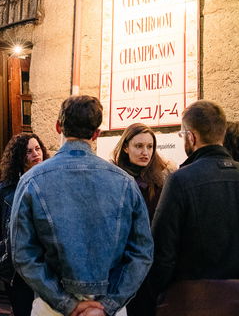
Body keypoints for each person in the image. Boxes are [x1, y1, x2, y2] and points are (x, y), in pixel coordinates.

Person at [10, 95, 154, 316]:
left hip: (51, 307)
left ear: (59, 127)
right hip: (107, 308)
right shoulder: (125, 182)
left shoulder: (32, 180)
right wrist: (109, 305)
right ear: (97, 133)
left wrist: (65, 303)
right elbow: (142, 253)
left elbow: (22, 254)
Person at [150, 101, 239, 316]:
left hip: (189, 305)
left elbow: (161, 254)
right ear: (221, 133)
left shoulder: (179, 181)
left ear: (191, 137)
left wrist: (158, 296)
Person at [111, 123, 173, 316]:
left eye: (150, 146)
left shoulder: (163, 179)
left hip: (156, 263)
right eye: (139, 146)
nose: (145, 152)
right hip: (125, 264)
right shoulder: (114, 178)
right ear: (126, 147)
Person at [0, 133, 49, 316]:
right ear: (19, 157)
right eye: (28, 151)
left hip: (46, 266)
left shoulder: (51, 183)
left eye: (37, 149)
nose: (35, 154)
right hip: (17, 269)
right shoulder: (5, 189)